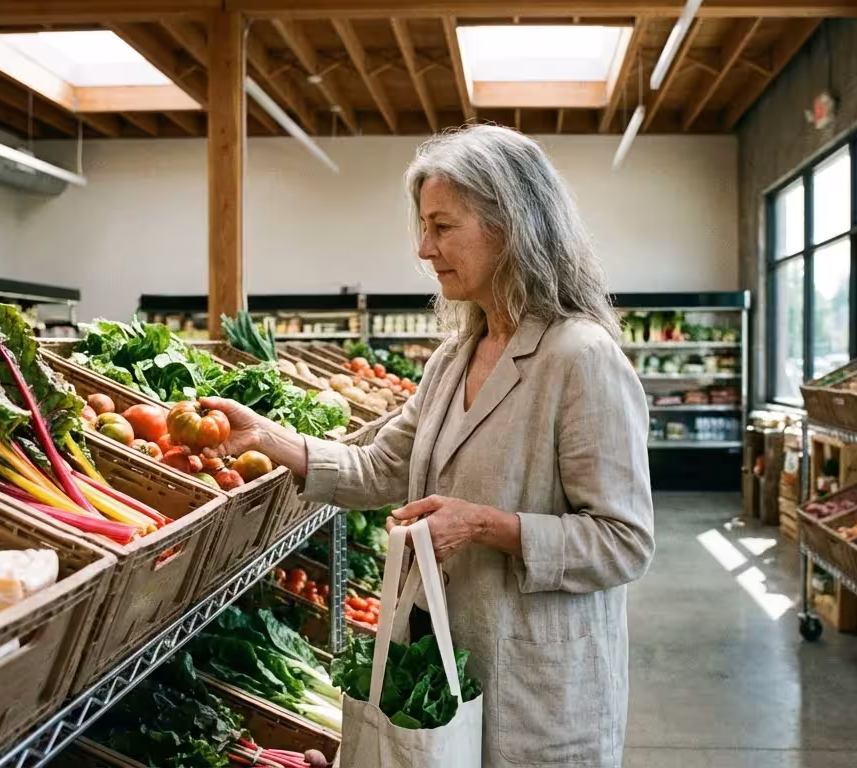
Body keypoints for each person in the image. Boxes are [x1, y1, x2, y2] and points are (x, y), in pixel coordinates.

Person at [222, 124, 655, 767]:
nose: (425, 249)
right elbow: (382, 466)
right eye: (423, 228)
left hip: (539, 689)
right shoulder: (454, 358)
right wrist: (271, 439)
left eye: (443, 226)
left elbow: (624, 542)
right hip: (446, 673)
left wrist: (486, 525)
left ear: (508, 227)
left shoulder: (580, 359)